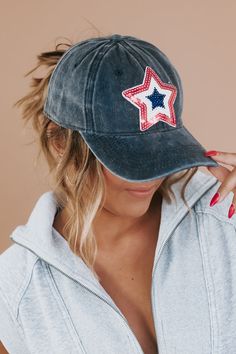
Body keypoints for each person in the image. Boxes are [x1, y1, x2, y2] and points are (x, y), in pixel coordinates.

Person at [1, 33, 236, 354]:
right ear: (60, 143)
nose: (149, 176)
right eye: (128, 157)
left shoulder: (223, 220)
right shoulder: (14, 291)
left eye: (161, 150)